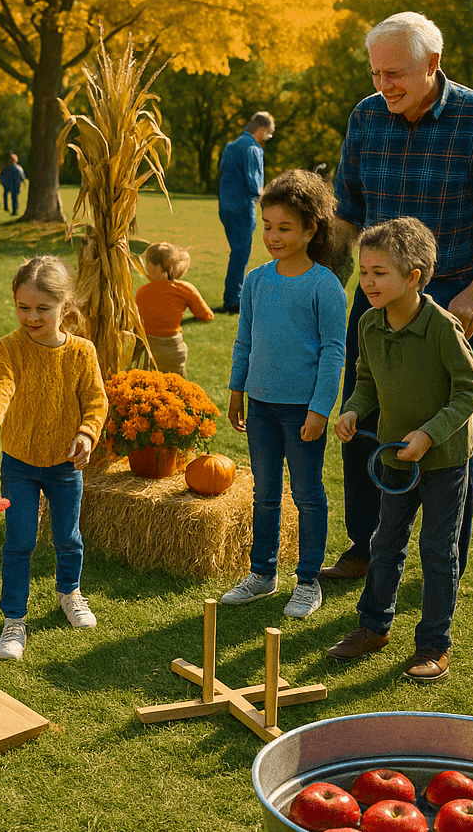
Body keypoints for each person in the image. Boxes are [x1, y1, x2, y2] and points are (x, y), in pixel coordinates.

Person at [319, 11, 473, 585]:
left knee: (450, 433)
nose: (383, 85)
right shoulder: (366, 117)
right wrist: (326, 283)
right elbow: (348, 212)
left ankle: (446, 561)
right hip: (375, 294)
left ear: (433, 64)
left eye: (395, 73)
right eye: (375, 73)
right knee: (363, 415)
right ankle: (364, 546)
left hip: (451, 298)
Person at [329, 218, 473, 682]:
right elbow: (366, 381)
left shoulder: (443, 327)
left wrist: (429, 435)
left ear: (413, 277)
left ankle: (434, 645)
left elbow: (469, 391)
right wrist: (353, 410)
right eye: (364, 271)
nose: (368, 281)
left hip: (443, 462)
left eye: (380, 273)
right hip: (394, 458)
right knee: (385, 542)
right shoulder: (368, 323)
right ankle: (374, 627)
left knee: (437, 551)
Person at [0, 255, 107, 661]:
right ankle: (14, 619)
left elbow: (96, 401)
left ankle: (69, 592)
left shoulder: (82, 352)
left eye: (43, 308)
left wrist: (86, 434)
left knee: (68, 537)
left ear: (65, 306)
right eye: (23, 307)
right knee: (20, 541)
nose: (31, 317)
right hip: (20, 464)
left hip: (65, 465)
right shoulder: (8, 349)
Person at [221, 169, 345, 619]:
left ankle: (308, 580)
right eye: (268, 226)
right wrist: (237, 390)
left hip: (303, 413)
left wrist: (320, 409)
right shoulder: (256, 280)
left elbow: (334, 352)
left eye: (285, 228)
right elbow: (244, 340)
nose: (273, 236)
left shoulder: (325, 285)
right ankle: (262, 574)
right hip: (260, 407)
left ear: (311, 230)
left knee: (307, 495)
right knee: (265, 495)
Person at [215, 111, 275, 313]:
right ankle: (233, 299)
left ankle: (232, 295)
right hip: (242, 207)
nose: (268, 138)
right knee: (241, 253)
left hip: (226, 207)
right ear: (262, 130)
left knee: (237, 252)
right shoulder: (253, 149)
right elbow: (254, 184)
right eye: (269, 134)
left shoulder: (230, 146)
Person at [137, 242, 213, 377]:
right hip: (174, 350)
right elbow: (206, 315)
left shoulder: (142, 292)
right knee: (176, 385)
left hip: (149, 351)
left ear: (153, 266)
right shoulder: (185, 289)